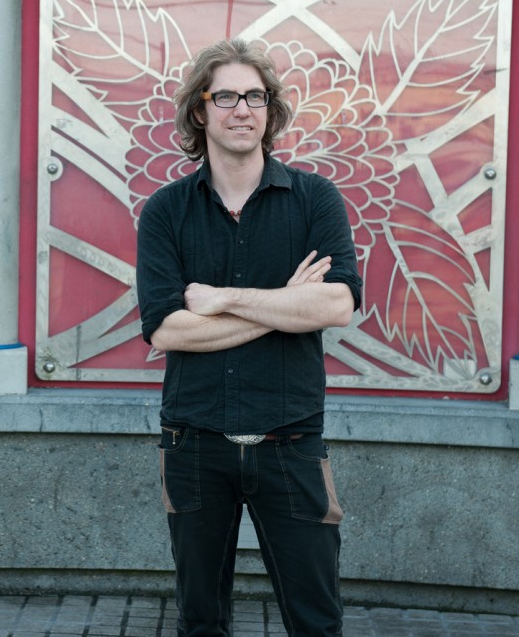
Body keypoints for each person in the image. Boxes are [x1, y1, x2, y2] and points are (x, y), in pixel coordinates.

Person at [135, 38, 363, 637]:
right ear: (200, 111)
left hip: (290, 441)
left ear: (271, 110)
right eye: (228, 96)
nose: (243, 109)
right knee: (200, 619)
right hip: (195, 442)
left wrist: (224, 300)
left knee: (317, 620)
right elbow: (166, 328)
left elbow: (337, 304)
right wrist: (287, 303)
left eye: (256, 96)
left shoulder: (315, 199)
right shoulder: (165, 212)